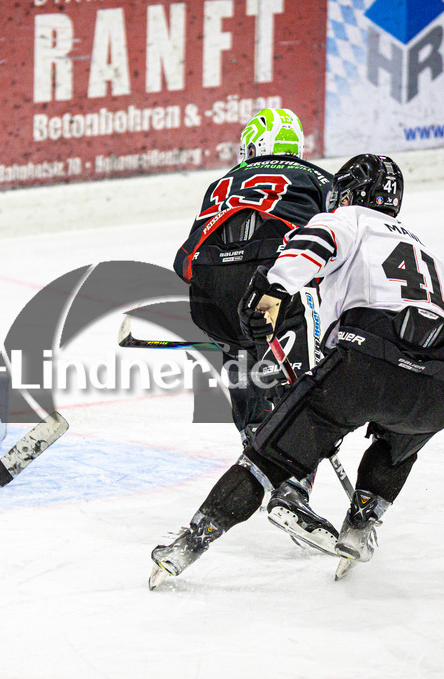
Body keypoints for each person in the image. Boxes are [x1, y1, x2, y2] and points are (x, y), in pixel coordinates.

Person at [151, 154, 444, 587]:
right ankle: (361, 525)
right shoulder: (426, 250)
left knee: (265, 459)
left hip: (363, 366)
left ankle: (189, 544)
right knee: (398, 445)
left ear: (351, 192)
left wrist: (270, 289)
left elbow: (308, 249)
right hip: (437, 385)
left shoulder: (349, 220)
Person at [172, 107, 338, 553]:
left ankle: (257, 437)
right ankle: (293, 490)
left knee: (244, 368)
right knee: (303, 392)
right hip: (271, 286)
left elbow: (183, 262)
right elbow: (330, 249)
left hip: (209, 296)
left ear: (253, 146)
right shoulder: (321, 179)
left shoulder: (222, 182)